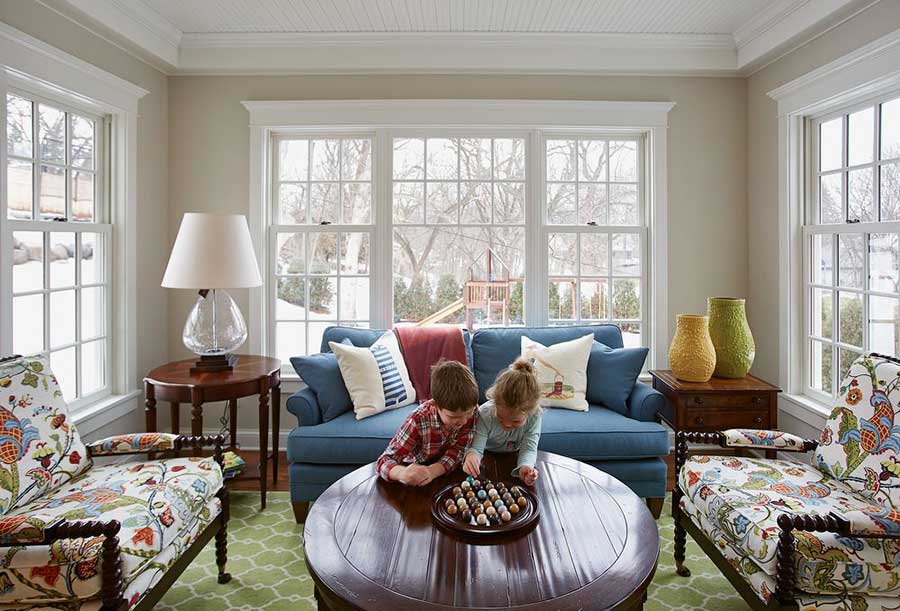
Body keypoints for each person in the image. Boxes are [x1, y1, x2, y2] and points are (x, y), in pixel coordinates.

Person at [376, 359, 479, 486]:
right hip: (417, 473)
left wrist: (433, 471)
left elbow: (458, 451)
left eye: (468, 413)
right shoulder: (417, 420)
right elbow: (383, 461)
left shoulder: (473, 412)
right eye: (454, 416)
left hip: (445, 473)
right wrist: (401, 473)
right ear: (435, 405)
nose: (463, 421)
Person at [463, 358, 542, 486]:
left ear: (529, 412)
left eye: (516, 421)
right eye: (500, 417)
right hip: (486, 457)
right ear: (495, 404)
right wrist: (472, 456)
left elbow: (529, 448)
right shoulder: (486, 413)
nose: (507, 424)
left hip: (514, 458)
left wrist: (525, 466)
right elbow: (477, 447)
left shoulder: (535, 415)